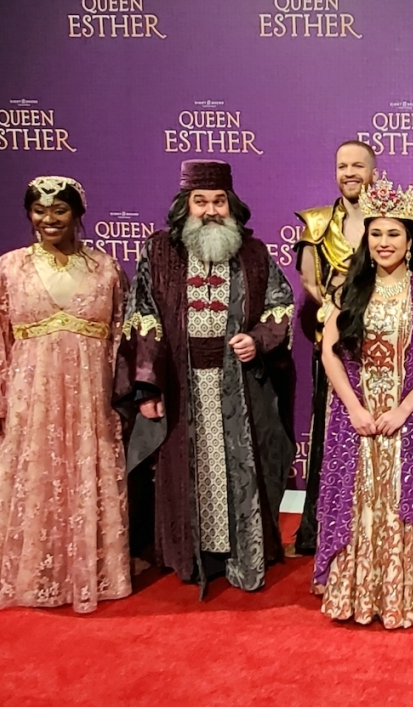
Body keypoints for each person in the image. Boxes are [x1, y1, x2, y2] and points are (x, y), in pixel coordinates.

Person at [114, 159, 295, 595]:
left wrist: (257, 339)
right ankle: (192, 556)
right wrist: (147, 386)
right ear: (185, 205)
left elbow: (280, 306)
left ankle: (239, 554)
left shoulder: (253, 252)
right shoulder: (158, 251)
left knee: (238, 469)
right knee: (186, 471)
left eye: (219, 201)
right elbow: (143, 317)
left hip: (238, 387)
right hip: (181, 385)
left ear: (231, 204)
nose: (211, 210)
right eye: (201, 201)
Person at [313, 173, 413, 628]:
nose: (383, 242)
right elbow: (329, 354)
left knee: (404, 504)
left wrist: (402, 410)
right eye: (375, 233)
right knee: (357, 501)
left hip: (409, 420)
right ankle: (357, 592)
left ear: (409, 239)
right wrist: (356, 409)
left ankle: (404, 593)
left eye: (393, 233)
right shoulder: (347, 290)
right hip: (356, 421)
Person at [0, 176, 131, 613]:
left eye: (59, 210)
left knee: (86, 472)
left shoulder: (106, 268)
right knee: (36, 475)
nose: (49, 219)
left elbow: (120, 336)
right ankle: (31, 575)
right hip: (31, 396)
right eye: (40, 210)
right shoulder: (8, 268)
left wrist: (119, 396)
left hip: (89, 397)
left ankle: (90, 572)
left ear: (77, 215)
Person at [292, 140, 413, 555]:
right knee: (337, 454)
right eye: (342, 165)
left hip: (402, 365)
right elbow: (309, 282)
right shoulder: (319, 223)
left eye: (358, 165)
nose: (349, 172)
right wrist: (351, 311)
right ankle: (327, 538)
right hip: (343, 352)